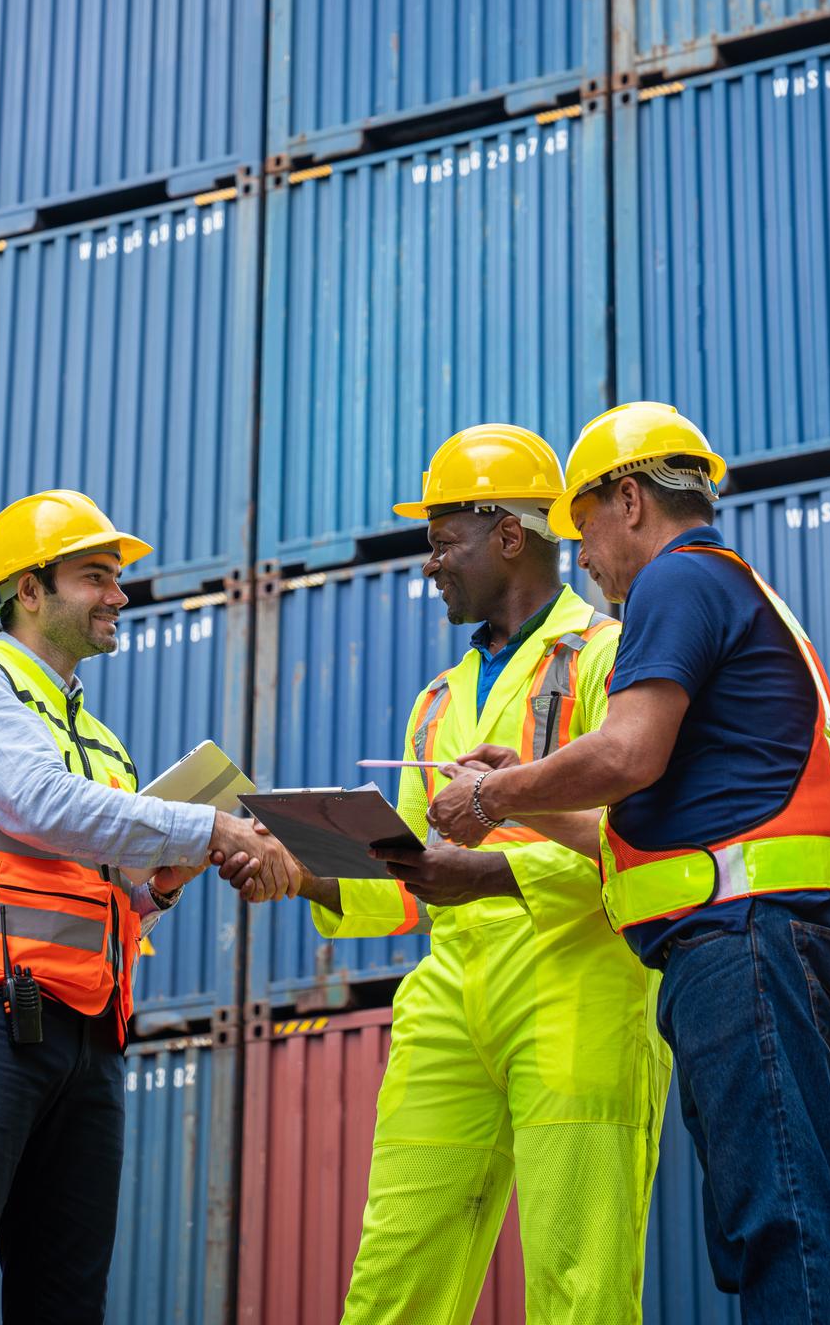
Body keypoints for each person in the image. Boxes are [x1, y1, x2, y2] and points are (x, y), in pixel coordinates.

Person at [429, 404, 830, 1322]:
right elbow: (636, 825)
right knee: (772, 1217)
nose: (582, 557)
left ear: (628, 500)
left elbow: (627, 753)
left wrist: (492, 799)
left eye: (583, 526)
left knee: (781, 1221)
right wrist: (541, 793)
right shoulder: (733, 587)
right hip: (770, 932)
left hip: (746, 939)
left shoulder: (677, 582)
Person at [220, 427, 670, 1324]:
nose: (430, 565)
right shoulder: (437, 700)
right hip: (448, 995)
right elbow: (408, 885)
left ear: (509, 534)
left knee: (579, 1278)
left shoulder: (611, 658)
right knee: (395, 1278)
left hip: (577, 984)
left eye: (441, 539)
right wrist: (300, 873)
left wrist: (492, 877)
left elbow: (646, 849)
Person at [0, 490, 286, 1325]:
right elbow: (37, 805)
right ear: (29, 590)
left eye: (117, 579)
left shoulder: (102, 742)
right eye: (97, 576)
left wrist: (163, 883)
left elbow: (108, 897)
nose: (118, 596)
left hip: (88, 1032)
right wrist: (205, 823)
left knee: (66, 1303)